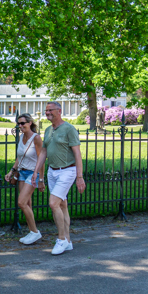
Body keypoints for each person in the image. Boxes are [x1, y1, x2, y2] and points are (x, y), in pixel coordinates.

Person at [32, 101, 86, 255]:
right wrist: (37, 172)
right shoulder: (48, 130)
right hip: (52, 171)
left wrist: (79, 177)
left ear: (59, 111)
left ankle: (61, 239)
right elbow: (43, 152)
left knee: (53, 203)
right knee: (62, 205)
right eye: (46, 110)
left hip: (67, 171)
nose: (47, 112)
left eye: (50, 110)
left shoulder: (69, 129)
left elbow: (77, 154)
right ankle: (68, 241)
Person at [5, 113, 45, 244]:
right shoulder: (21, 137)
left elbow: (42, 159)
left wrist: (41, 179)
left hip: (33, 174)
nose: (20, 126)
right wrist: (12, 171)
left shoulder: (36, 138)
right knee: (26, 204)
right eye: (18, 124)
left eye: (23, 123)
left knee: (21, 202)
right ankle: (31, 231)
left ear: (30, 123)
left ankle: (35, 232)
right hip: (21, 173)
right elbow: (19, 157)